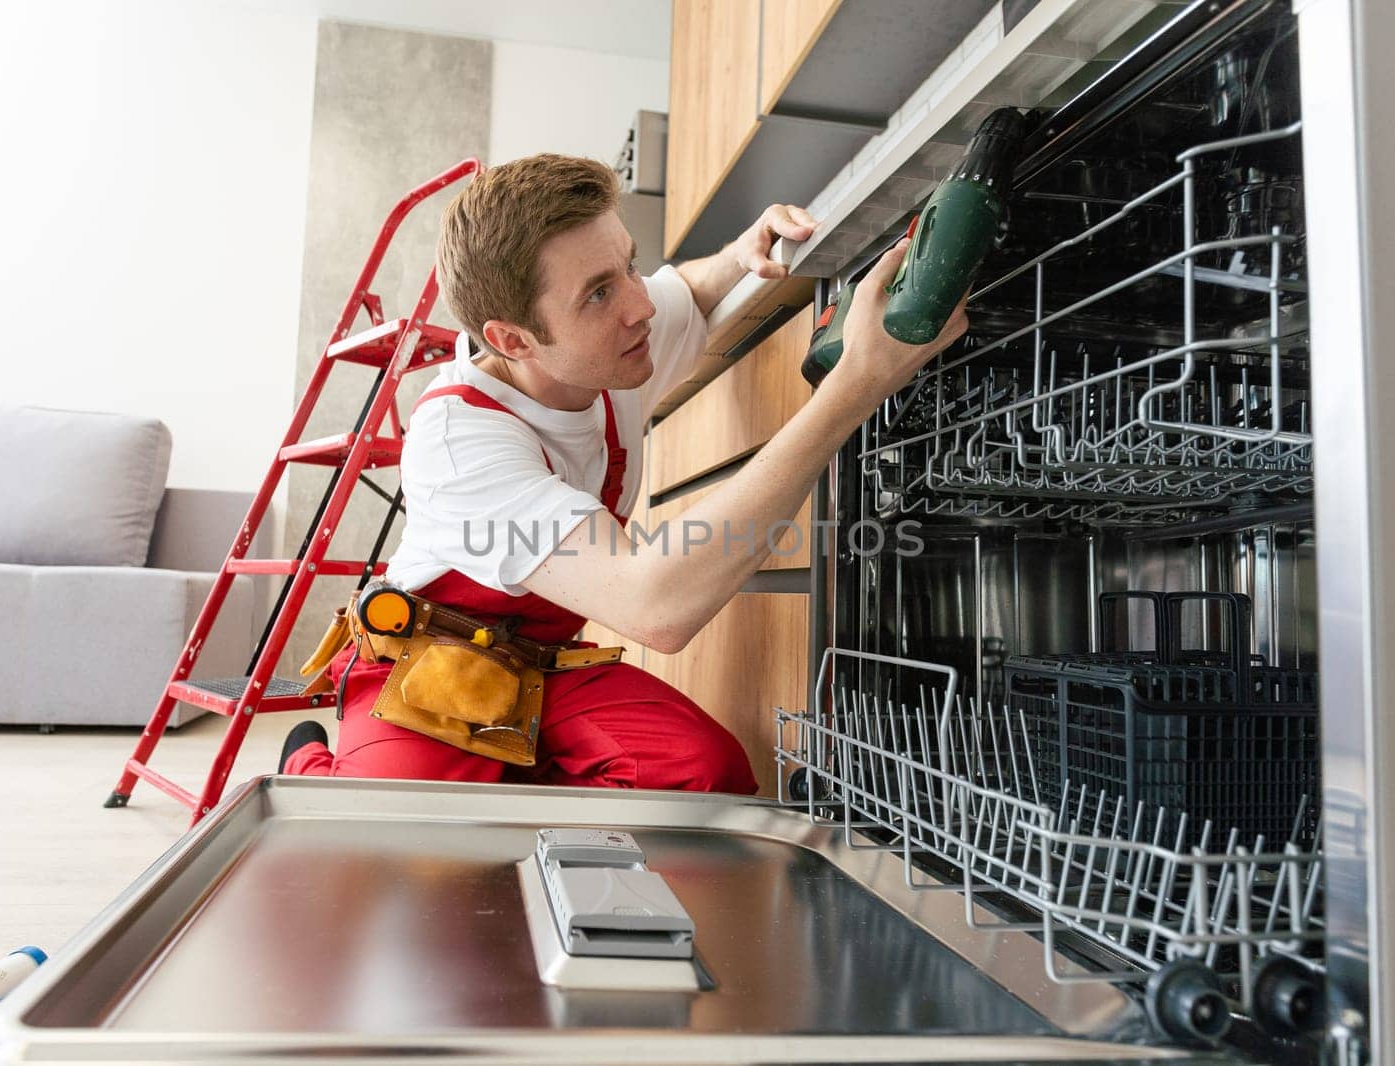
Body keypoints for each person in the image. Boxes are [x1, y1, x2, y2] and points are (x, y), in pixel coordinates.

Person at [280, 153, 968, 791]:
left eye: (629, 267)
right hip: (428, 664)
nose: (639, 306)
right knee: (397, 853)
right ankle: (310, 760)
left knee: (705, 776)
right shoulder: (460, 442)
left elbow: (685, 292)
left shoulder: (607, 344)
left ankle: (525, 784)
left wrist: (739, 254)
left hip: (544, 667)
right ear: (513, 340)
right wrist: (854, 388)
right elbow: (656, 610)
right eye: (598, 294)